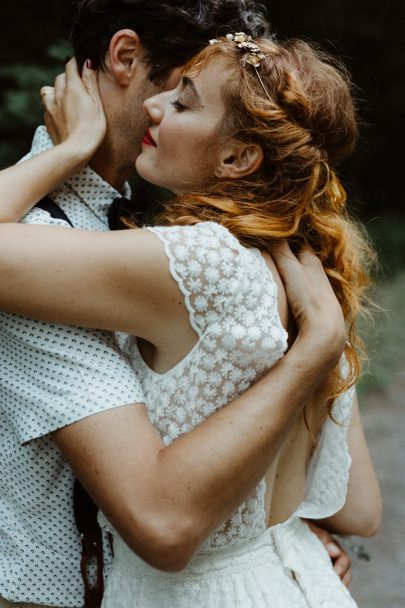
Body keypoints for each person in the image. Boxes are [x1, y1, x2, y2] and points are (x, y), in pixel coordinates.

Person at [0, 31, 381, 608]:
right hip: (299, 580)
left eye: (183, 102)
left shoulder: (205, 260)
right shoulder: (315, 272)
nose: (155, 105)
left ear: (236, 157)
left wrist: (68, 149)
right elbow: (359, 509)